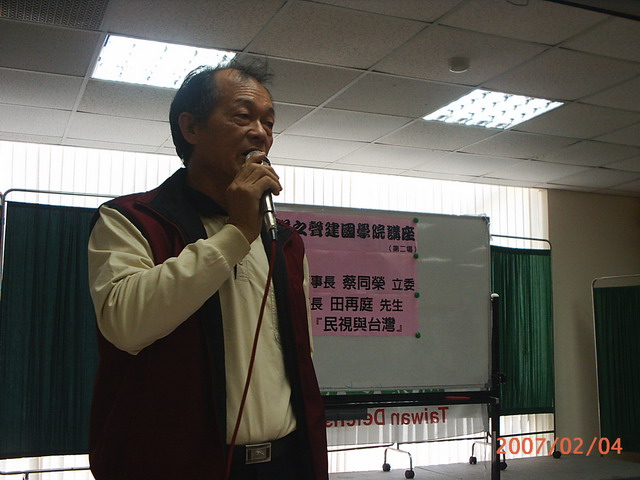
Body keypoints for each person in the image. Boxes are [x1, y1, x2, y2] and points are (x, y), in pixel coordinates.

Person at [87, 59, 328, 479]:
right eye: (242, 116)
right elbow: (125, 326)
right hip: (180, 464)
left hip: (287, 461)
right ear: (191, 128)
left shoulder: (285, 241)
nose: (260, 133)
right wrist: (236, 232)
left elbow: (300, 353)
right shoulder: (132, 219)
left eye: (269, 123)